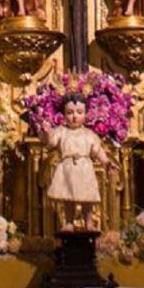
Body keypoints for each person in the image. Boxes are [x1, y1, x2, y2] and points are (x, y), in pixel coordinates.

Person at [41, 94, 117, 231]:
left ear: (86, 114)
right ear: (64, 114)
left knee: (86, 198)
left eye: (79, 112)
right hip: (67, 168)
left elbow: (97, 150)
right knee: (68, 198)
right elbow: (51, 142)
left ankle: (88, 222)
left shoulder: (89, 134)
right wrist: (46, 132)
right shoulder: (61, 131)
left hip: (84, 169)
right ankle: (69, 222)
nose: (74, 116)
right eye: (70, 113)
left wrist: (106, 161)